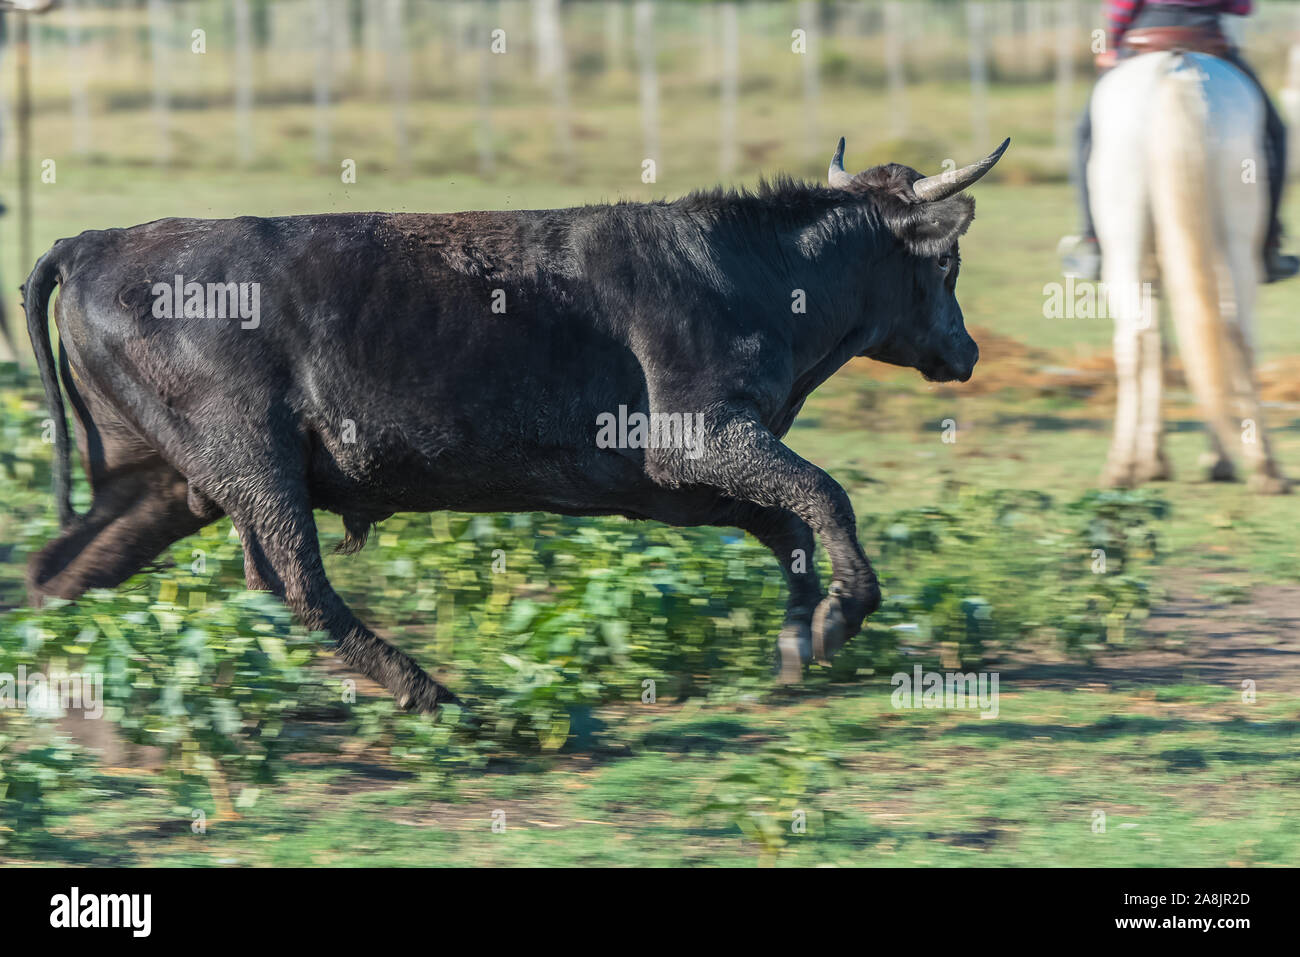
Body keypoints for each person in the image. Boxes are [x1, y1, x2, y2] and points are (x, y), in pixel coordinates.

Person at [1061, 0, 1299, 283]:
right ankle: (1268, 246)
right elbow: (1242, 7)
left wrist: (1112, 44)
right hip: (1206, 36)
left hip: (1144, 34)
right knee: (1274, 134)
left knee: (1085, 134)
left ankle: (1094, 244)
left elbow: (1120, 6)